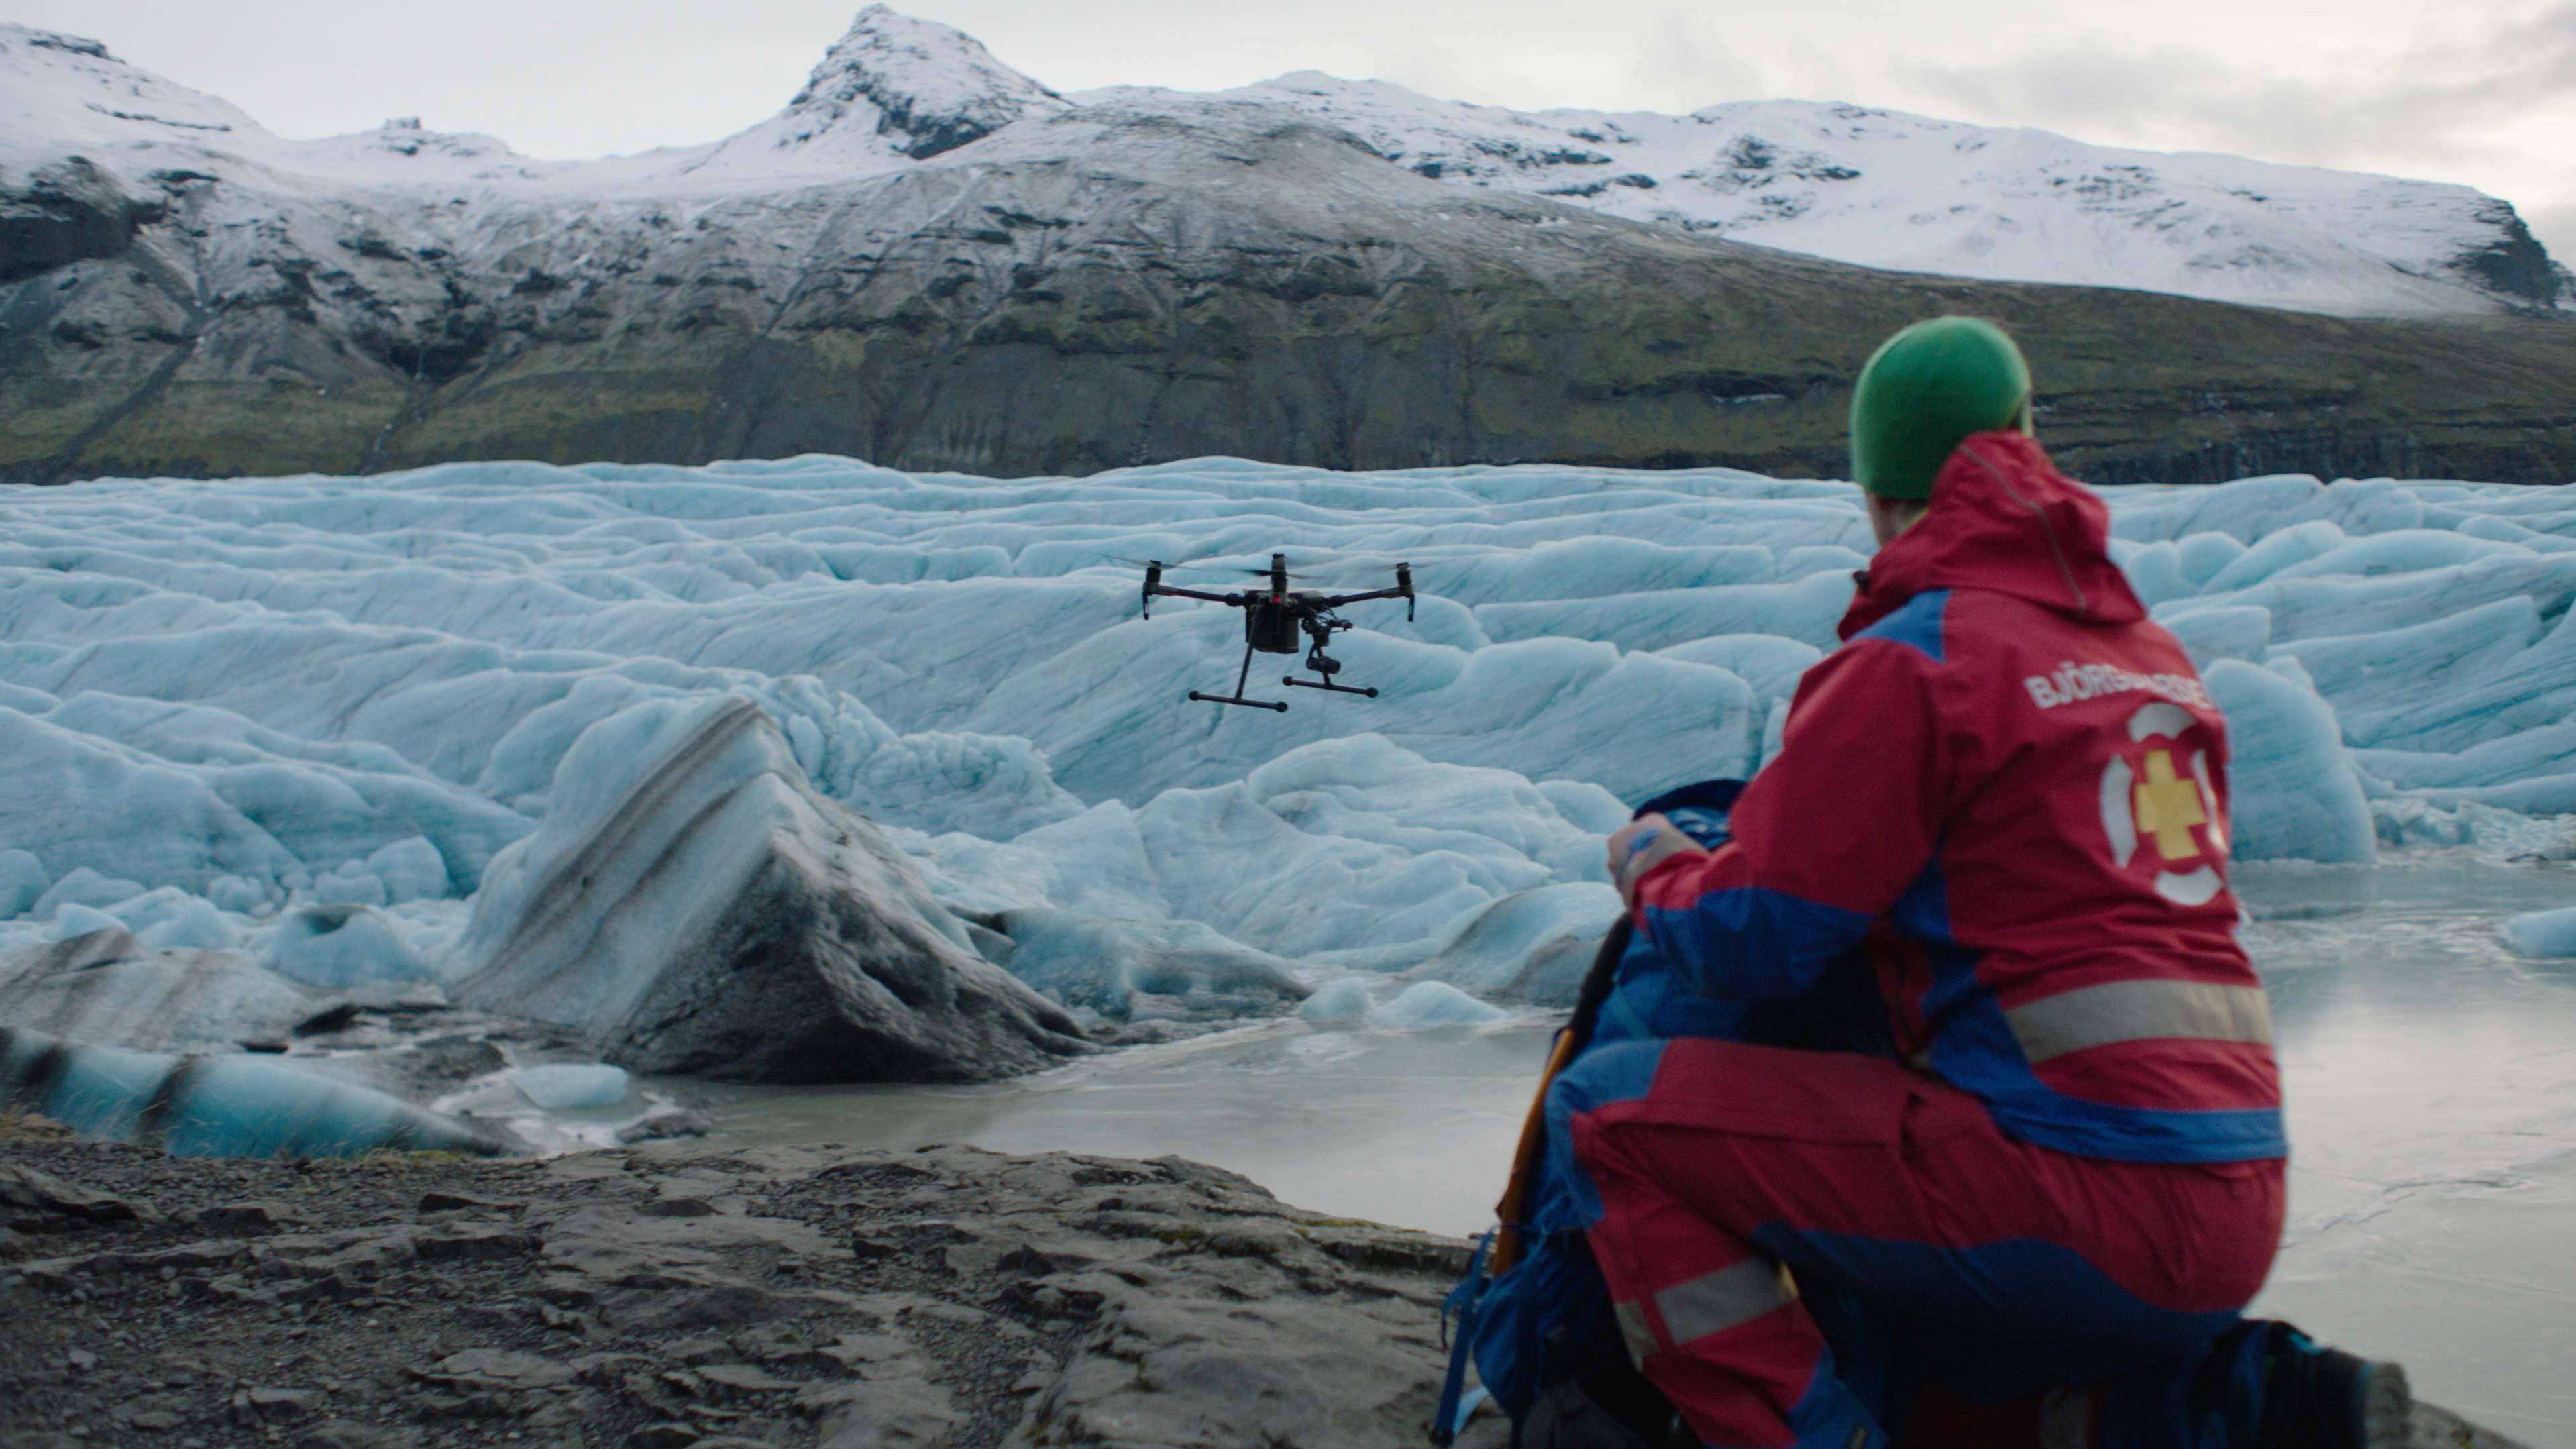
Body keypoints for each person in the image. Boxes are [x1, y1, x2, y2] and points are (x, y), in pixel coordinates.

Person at [1544, 317, 2409, 1448]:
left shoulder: (1919, 661)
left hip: (2071, 1198)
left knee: (1609, 1114)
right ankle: (2242, 1403)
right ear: (2025, 444)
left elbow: (1752, 941)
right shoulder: (2149, 660)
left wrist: (1660, 867)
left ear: (1876, 485)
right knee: (1934, 1384)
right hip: (2235, 1196)